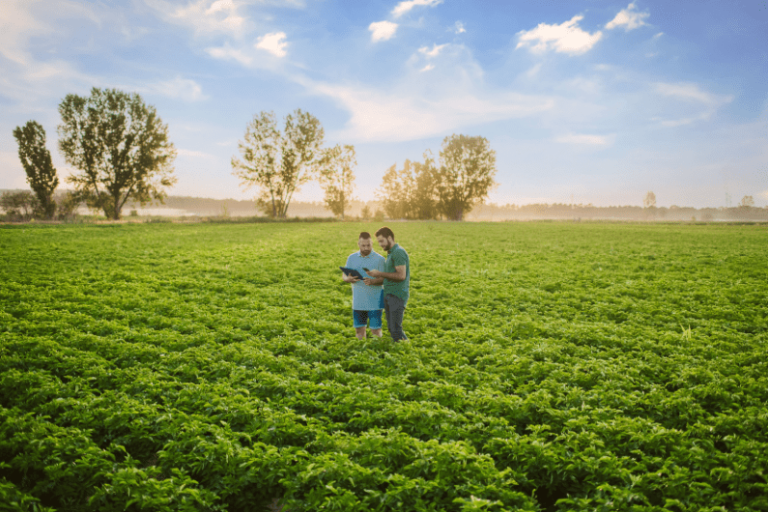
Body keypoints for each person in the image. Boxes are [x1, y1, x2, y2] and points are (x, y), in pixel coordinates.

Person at [366, 226, 410, 342]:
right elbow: (389, 276)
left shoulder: (398, 253)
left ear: (389, 238)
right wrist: (373, 281)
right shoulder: (391, 254)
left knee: (396, 329)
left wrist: (379, 272)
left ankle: (407, 350)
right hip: (389, 294)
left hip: (397, 295)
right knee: (392, 328)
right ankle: (401, 349)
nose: (380, 244)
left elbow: (401, 276)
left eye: (381, 241)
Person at [342, 232, 386, 339]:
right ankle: (361, 352)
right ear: (358, 244)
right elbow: (344, 274)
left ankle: (377, 352)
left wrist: (373, 281)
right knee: (359, 331)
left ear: (372, 243)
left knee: (376, 331)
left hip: (375, 303)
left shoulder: (380, 259)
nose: (366, 248)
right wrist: (348, 279)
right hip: (358, 302)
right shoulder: (351, 258)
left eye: (368, 245)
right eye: (363, 245)